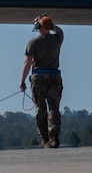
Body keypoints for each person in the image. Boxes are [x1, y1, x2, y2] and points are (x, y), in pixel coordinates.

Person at [20, 15, 65, 148]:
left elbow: (27, 62)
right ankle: (54, 136)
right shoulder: (57, 39)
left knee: (40, 108)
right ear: (49, 27)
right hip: (54, 76)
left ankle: (45, 139)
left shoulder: (32, 43)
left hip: (39, 77)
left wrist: (22, 80)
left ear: (38, 27)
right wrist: (49, 24)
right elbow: (60, 31)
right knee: (54, 107)